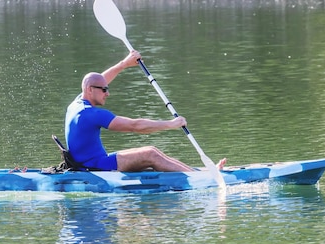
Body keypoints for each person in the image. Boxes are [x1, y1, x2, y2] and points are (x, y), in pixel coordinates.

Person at [65, 50, 226, 172]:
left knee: (153, 150)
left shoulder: (77, 103)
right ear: (90, 90)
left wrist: (124, 64)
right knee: (150, 154)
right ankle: (202, 178)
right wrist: (171, 124)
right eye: (104, 90)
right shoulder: (92, 114)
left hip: (94, 161)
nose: (108, 93)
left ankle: (199, 172)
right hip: (94, 166)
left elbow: (101, 79)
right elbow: (135, 126)